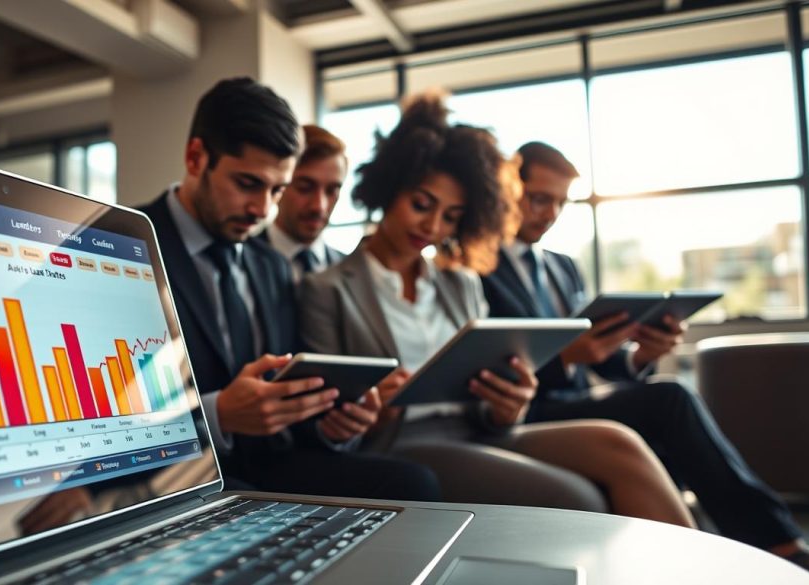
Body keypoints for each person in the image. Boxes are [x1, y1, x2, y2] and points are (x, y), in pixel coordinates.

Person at [300, 92, 694, 527]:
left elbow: (493, 397)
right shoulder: (326, 289)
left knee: (622, 444)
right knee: (580, 498)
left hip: (483, 430)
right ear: (390, 189)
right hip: (402, 442)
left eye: (451, 216)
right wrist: (375, 408)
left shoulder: (462, 283)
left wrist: (509, 403)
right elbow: (326, 422)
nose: (432, 228)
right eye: (421, 205)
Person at [480, 140, 809, 573]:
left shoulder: (562, 266)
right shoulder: (477, 269)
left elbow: (600, 358)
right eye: (539, 199)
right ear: (508, 190)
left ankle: (734, 548)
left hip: (576, 400)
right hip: (531, 409)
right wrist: (566, 359)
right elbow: (488, 367)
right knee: (670, 399)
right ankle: (777, 544)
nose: (549, 214)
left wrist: (640, 355)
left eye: (561, 203)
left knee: (664, 403)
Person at [135, 77, 441, 501]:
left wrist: (330, 422)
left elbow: (289, 390)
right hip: (188, 472)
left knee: (415, 483)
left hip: (272, 465)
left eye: (277, 189)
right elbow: (113, 411)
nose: (262, 209)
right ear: (195, 158)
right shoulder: (128, 245)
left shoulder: (271, 266)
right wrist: (217, 413)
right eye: (247, 184)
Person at [257, 124, 347, 283]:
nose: (319, 206)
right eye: (304, 188)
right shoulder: (237, 263)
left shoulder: (350, 271)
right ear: (278, 186)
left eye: (332, 191)